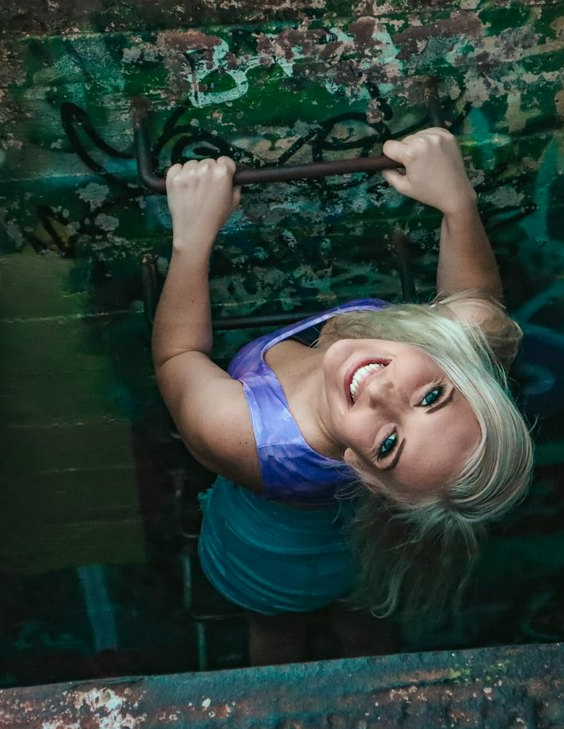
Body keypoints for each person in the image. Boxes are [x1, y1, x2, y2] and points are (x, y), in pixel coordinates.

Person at [152, 128, 533, 665]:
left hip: (269, 557)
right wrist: (456, 203)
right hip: (361, 554)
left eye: (389, 444)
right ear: (459, 366)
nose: (381, 392)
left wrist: (191, 239)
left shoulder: (239, 431)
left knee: (275, 635)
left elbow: (177, 356)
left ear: (361, 470)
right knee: (364, 625)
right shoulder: (462, 352)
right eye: (430, 398)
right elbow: (473, 302)